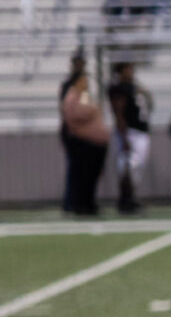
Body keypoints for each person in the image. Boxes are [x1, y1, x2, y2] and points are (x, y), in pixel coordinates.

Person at [58, 52, 111, 217]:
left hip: (91, 141)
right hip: (80, 140)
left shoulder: (84, 95)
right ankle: (74, 204)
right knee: (79, 173)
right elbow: (76, 113)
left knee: (89, 175)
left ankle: (86, 203)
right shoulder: (72, 92)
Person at [107, 61, 152, 214]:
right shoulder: (119, 89)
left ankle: (130, 197)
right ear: (120, 72)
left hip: (140, 131)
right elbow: (119, 112)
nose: (131, 72)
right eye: (128, 69)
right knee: (127, 166)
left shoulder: (134, 86)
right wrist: (124, 135)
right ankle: (125, 199)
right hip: (129, 132)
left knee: (137, 168)